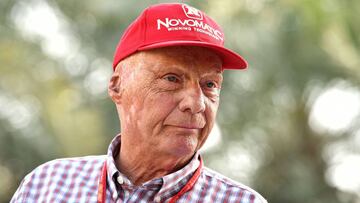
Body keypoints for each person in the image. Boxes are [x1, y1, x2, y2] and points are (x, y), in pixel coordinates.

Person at [11, 3, 267, 203]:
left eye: (210, 84)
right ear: (116, 86)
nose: (196, 103)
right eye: (172, 78)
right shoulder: (47, 185)